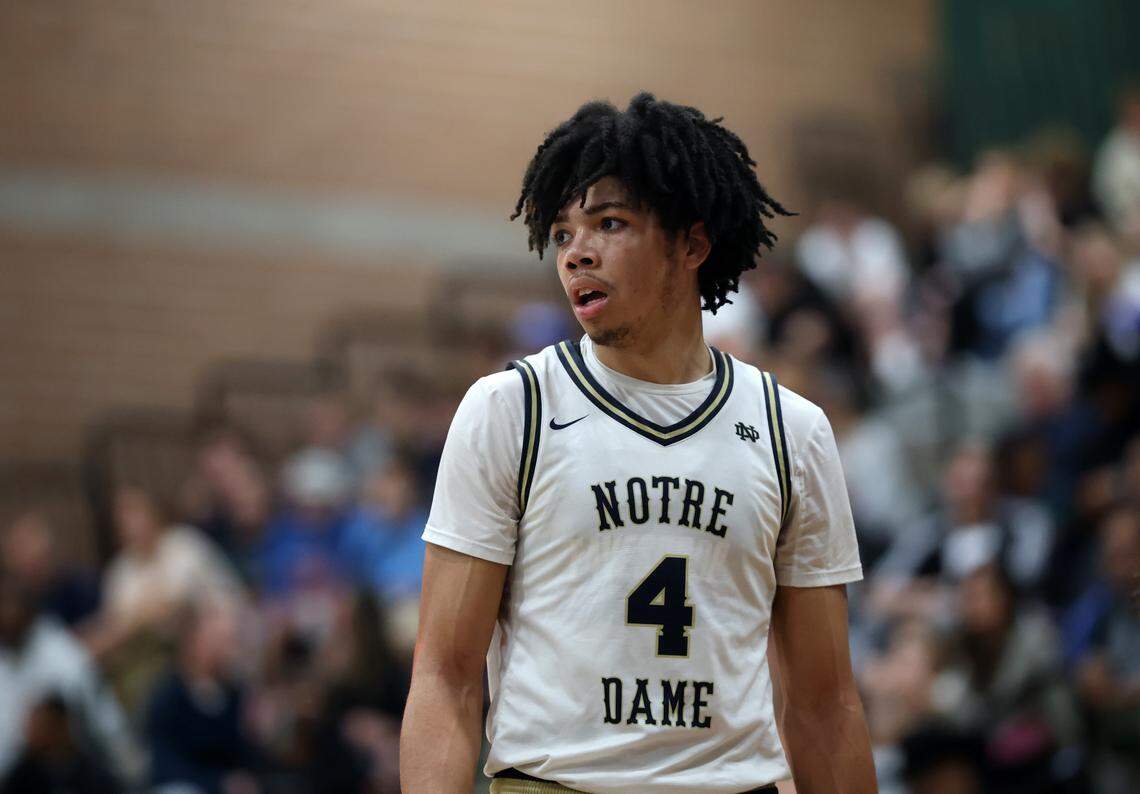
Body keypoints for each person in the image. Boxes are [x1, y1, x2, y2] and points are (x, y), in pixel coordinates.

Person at [400, 93, 876, 793]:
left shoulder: (791, 432)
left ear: (691, 243)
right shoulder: (510, 410)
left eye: (609, 223)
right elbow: (445, 678)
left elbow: (825, 706)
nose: (577, 253)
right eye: (562, 234)